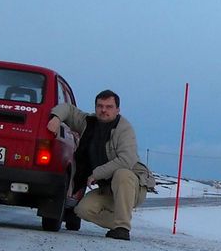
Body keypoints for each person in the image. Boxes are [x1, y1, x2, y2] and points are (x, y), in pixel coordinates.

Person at [47, 89, 156, 240]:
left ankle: (122, 228)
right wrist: (56, 118)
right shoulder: (88, 122)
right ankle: (118, 222)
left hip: (131, 186)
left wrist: (97, 173)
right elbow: (68, 109)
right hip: (108, 189)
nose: (104, 110)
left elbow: (127, 160)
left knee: (122, 173)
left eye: (109, 106)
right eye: (100, 106)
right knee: (82, 210)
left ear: (117, 109)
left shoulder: (124, 129)